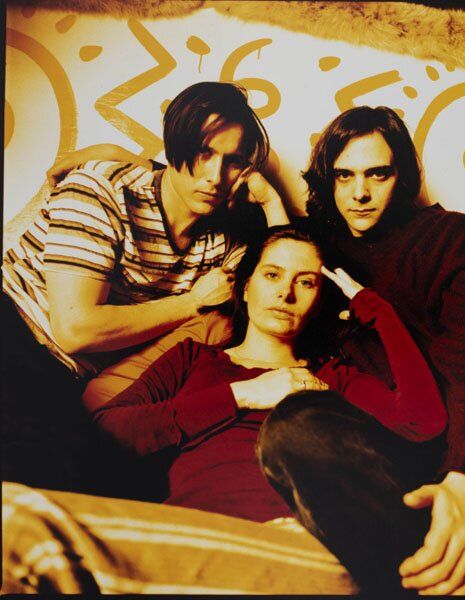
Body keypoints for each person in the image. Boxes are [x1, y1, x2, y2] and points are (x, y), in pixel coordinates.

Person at [279, 105, 465, 598]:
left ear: (400, 176)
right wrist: (264, 197)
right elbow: (267, 268)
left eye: (377, 174)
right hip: (404, 429)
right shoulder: (314, 249)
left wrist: (464, 476)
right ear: (327, 180)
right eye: (344, 176)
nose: (360, 193)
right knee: (295, 429)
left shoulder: (448, 235)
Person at [84, 225, 446, 590]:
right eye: (272, 275)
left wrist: (380, 312)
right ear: (246, 287)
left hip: (298, 545)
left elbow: (423, 423)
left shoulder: (331, 377)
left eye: (306, 282)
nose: (285, 293)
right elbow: (107, 431)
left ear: (319, 301)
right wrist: (243, 394)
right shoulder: (192, 358)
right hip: (191, 535)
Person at [1, 81, 288, 493]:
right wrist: (192, 302)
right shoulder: (103, 188)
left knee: (128, 480)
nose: (214, 176)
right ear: (174, 147)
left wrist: (271, 202)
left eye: (233, 162)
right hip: (14, 327)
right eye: (203, 153)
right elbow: (75, 330)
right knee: (38, 470)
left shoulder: (221, 242)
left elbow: (287, 269)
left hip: (65, 378)